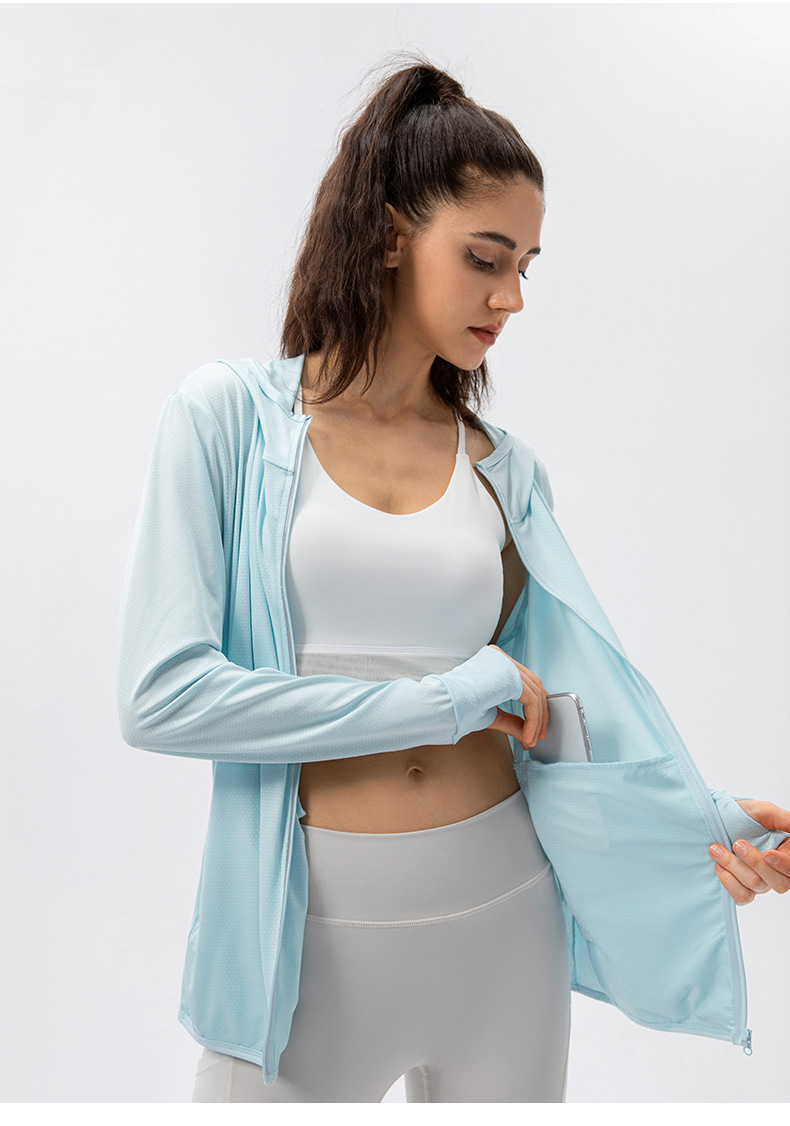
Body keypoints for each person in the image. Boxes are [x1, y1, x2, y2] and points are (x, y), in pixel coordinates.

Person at [117, 57, 790, 1103]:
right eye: (484, 258)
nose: (510, 297)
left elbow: (562, 716)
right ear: (391, 234)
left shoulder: (502, 472)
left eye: (525, 265)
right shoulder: (228, 420)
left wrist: (694, 824)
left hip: (506, 925)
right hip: (307, 949)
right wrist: (445, 698)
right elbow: (164, 697)